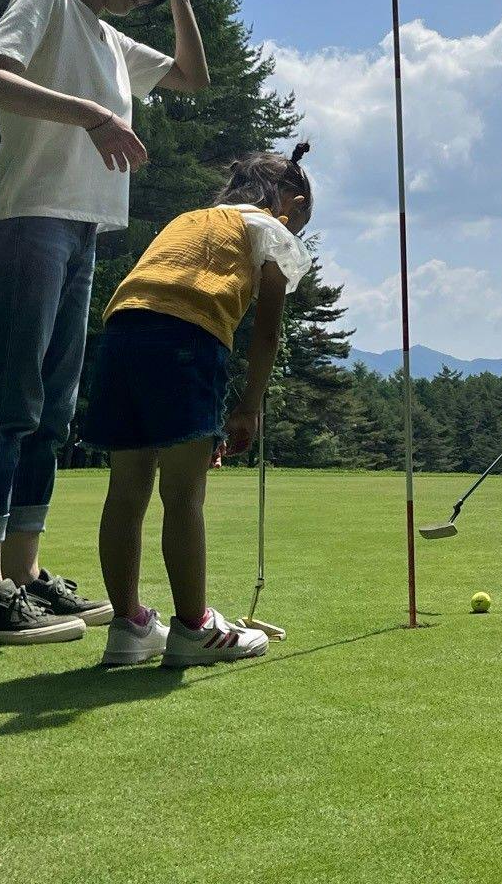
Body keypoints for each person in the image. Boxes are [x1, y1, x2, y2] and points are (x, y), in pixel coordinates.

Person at [0, 0, 208, 647]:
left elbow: (190, 75)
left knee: (48, 413)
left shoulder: (110, 36)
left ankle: (21, 578)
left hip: (77, 230)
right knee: (4, 403)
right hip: (23, 221)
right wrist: (91, 114)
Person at [85, 145, 314, 667]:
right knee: (183, 493)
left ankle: (130, 627)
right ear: (292, 204)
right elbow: (268, 328)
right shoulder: (269, 228)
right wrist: (249, 406)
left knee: (126, 489)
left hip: (122, 329)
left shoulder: (191, 218)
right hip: (187, 337)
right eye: (301, 222)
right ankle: (193, 629)